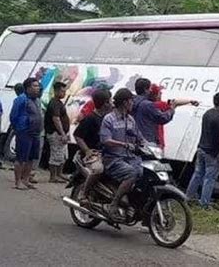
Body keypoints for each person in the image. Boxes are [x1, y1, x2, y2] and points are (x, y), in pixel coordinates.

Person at [100, 88, 146, 222]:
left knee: (145, 173)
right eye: (131, 100)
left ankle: (134, 205)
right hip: (113, 159)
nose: (133, 103)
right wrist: (123, 144)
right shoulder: (109, 119)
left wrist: (150, 146)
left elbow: (140, 137)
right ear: (125, 102)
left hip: (130, 157)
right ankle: (113, 204)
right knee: (131, 173)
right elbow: (106, 140)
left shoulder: (130, 119)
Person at [186, 92, 219, 209]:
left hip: (201, 148)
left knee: (197, 174)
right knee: (209, 178)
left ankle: (189, 198)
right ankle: (204, 203)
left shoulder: (208, 113)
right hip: (212, 152)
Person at [74, 89, 112, 204]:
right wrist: (87, 150)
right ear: (104, 103)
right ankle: (83, 194)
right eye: (109, 101)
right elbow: (77, 136)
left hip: (106, 153)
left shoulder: (107, 118)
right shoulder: (90, 118)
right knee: (98, 170)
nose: (111, 103)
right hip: (93, 154)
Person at [9, 78, 43, 190]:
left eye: (38, 86)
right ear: (28, 88)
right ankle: (17, 181)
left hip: (35, 131)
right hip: (24, 131)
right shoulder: (21, 99)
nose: (37, 88)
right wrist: (18, 128)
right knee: (21, 157)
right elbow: (13, 116)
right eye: (35, 86)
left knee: (31, 158)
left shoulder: (37, 100)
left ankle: (26, 179)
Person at [148, 84, 199, 149]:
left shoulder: (145, 104)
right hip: (157, 141)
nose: (161, 93)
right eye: (159, 92)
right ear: (155, 95)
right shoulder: (159, 105)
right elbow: (175, 102)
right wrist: (190, 101)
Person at [132, 78, 175, 145]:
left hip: (133, 139)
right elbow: (162, 118)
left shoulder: (131, 102)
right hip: (147, 140)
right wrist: (171, 110)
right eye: (149, 88)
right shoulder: (147, 105)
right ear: (145, 90)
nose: (150, 90)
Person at [44, 82, 70, 183]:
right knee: (56, 155)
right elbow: (56, 119)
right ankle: (53, 176)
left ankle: (59, 174)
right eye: (62, 91)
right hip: (55, 133)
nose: (64, 93)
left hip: (61, 133)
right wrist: (62, 133)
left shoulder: (59, 102)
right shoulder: (54, 103)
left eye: (65, 91)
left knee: (63, 155)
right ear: (56, 91)